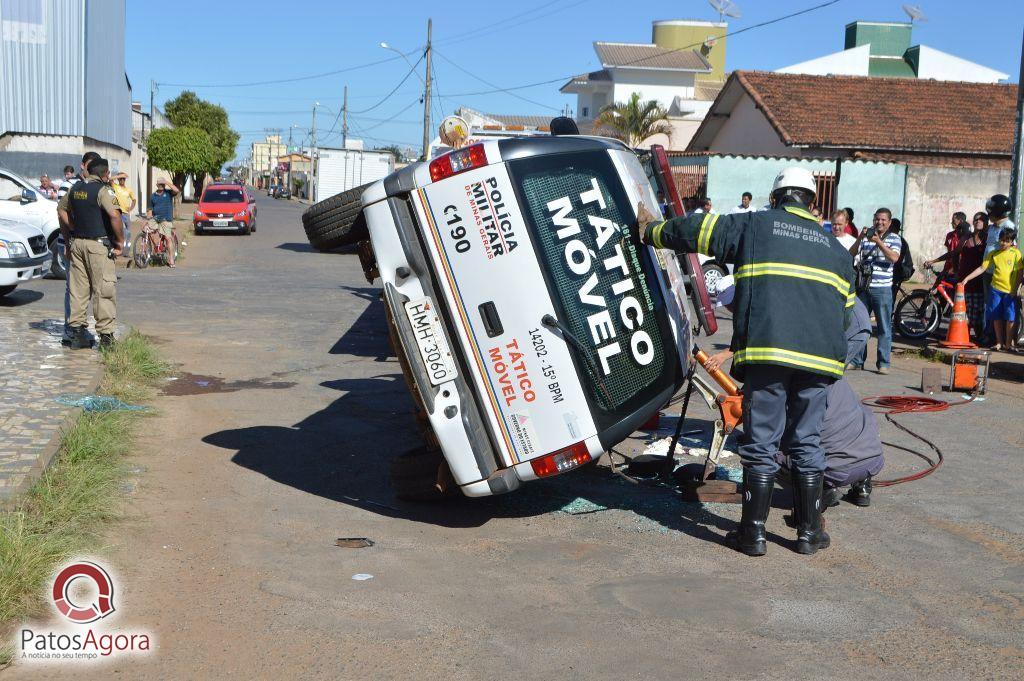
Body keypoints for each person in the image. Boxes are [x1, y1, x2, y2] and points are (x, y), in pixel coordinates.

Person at [637, 167, 854, 557]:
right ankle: (808, 533)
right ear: (814, 204)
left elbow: (697, 232)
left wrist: (653, 231)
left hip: (768, 355)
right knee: (806, 442)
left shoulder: (758, 226)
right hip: (820, 362)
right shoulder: (838, 252)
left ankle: (752, 535)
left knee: (762, 443)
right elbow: (847, 315)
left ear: (775, 199)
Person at [706, 296, 882, 507]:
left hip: (832, 469)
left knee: (762, 451)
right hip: (873, 458)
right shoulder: (822, 366)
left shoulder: (786, 385)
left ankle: (817, 494)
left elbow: (777, 440)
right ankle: (861, 485)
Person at [56, 157, 123, 349]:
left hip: (77, 244)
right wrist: (119, 242)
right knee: (103, 290)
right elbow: (115, 215)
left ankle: (77, 336)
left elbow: (61, 209)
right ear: (105, 174)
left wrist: (70, 234)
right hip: (98, 246)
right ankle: (106, 339)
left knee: (78, 291)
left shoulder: (75, 188)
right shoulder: (104, 190)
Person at [57, 151, 101, 345]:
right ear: (83, 165)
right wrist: (69, 239)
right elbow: (61, 213)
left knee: (86, 288)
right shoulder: (70, 185)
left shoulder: (96, 186)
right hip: (70, 242)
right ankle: (71, 330)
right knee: (73, 289)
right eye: (89, 165)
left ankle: (79, 328)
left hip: (86, 244)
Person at [849, 208, 901, 374]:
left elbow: (894, 258)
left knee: (884, 327)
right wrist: (860, 238)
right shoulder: (865, 238)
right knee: (860, 325)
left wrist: (878, 242)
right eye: (877, 219)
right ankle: (857, 361)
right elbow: (851, 253)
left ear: (889, 222)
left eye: (883, 220)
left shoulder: (894, 238)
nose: (879, 222)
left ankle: (883, 363)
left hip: (883, 289)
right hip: (864, 288)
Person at [962, 227, 1022, 352]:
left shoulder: (1016, 253)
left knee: (1010, 318)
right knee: (996, 317)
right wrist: (967, 278)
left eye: (1006, 241)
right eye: (1001, 240)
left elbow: (1020, 273)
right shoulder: (993, 254)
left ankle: (1008, 343)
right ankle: (999, 342)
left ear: (1011, 242)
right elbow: (982, 268)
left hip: (1010, 291)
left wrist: (1016, 289)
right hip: (995, 290)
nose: (1003, 243)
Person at [147, 178, 179, 268]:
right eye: (159, 184)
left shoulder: (168, 193)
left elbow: (176, 190)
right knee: (145, 228)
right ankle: (156, 246)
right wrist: (148, 217)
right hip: (156, 218)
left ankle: (171, 258)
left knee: (168, 238)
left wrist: (166, 182)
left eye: (162, 184)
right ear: (157, 185)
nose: (161, 185)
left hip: (166, 219)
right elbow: (150, 209)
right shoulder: (153, 196)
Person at [889, 218, 914, 301]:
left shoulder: (900, 241)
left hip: (903, 269)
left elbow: (897, 260)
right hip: (899, 267)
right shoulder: (891, 238)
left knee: (890, 292)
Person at [110, 172, 136, 254]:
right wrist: (119, 175)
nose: (122, 180)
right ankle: (118, 248)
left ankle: (126, 252)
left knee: (128, 233)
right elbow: (109, 179)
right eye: (120, 179)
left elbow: (134, 200)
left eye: (123, 179)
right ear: (118, 179)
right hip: (118, 213)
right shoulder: (116, 187)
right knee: (120, 231)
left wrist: (131, 208)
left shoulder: (129, 190)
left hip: (126, 214)